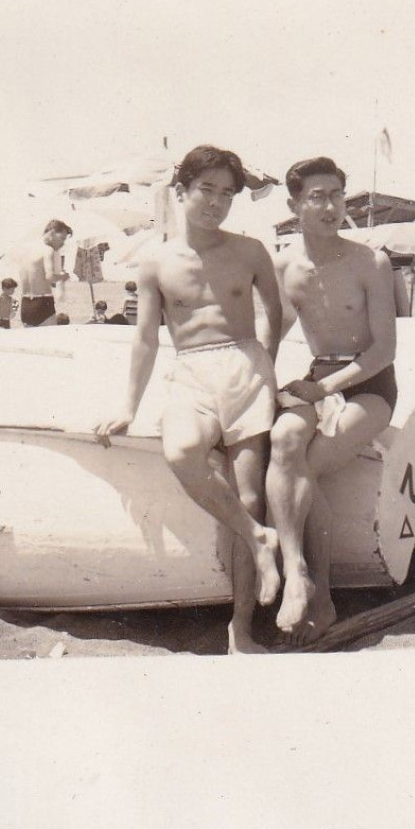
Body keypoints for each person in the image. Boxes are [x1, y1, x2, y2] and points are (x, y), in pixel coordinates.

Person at [95, 145, 283, 654]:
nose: (216, 202)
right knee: (181, 452)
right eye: (207, 190)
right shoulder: (154, 262)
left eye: (227, 194)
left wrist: (264, 362)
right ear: (180, 192)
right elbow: (146, 339)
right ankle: (258, 537)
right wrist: (127, 407)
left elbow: (275, 311)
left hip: (246, 367)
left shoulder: (251, 251)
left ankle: (240, 630)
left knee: (250, 493)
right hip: (192, 371)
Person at [266, 155, 397, 644]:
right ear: (294, 205)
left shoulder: (370, 262)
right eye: (316, 196)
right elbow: (271, 338)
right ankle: (297, 572)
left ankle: (320, 594)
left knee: (310, 462)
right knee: (283, 442)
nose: (329, 206)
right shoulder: (284, 267)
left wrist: (324, 389)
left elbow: (384, 349)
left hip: (369, 384)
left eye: (337, 195)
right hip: (315, 377)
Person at [16, 220, 72, 327]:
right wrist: (63, 276)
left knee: (31, 341)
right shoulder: (48, 250)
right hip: (43, 302)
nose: (63, 243)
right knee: (50, 342)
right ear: (52, 233)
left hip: (26, 304)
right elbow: (50, 277)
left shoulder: (25, 249)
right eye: (62, 238)